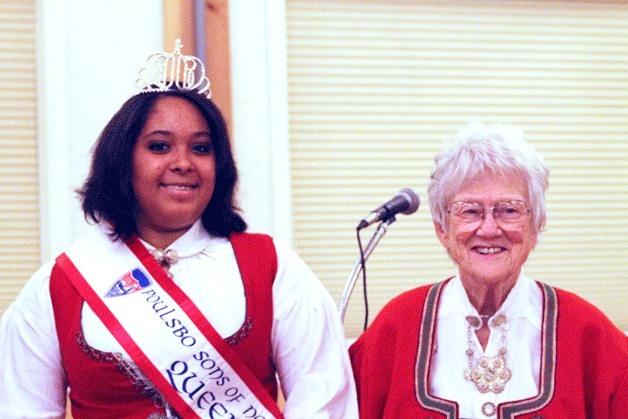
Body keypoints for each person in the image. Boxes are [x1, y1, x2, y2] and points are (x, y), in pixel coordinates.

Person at [0, 40, 358, 418]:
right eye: (159, 146)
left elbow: (323, 400)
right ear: (123, 161)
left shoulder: (271, 267)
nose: (183, 163)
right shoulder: (59, 285)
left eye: (201, 149)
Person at [349, 122, 627, 418]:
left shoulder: (589, 333)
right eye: (470, 211)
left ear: (536, 227)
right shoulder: (396, 327)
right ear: (441, 228)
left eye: (509, 210)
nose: (490, 229)